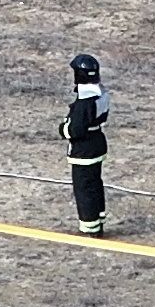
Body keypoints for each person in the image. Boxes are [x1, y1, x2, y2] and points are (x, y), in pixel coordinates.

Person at [59, 54, 111, 236]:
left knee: (84, 189)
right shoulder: (101, 94)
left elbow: (75, 130)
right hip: (97, 144)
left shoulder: (84, 103)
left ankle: (89, 227)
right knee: (95, 185)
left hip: (84, 151)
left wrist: (63, 129)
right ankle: (99, 221)